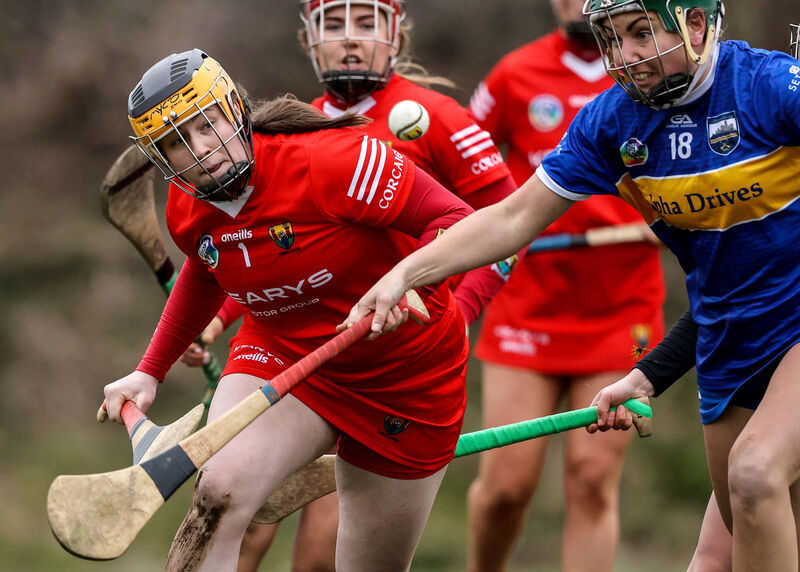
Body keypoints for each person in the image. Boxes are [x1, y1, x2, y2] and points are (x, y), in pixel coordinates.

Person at [341, 1, 800, 570]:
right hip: (731, 344)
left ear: (697, 24)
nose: (626, 56)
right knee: (720, 552)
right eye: (614, 38)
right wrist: (407, 272)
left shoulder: (770, 86)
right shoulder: (613, 122)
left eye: (641, 34)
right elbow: (511, 219)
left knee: (754, 474)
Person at [102, 48, 487, 572]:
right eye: (176, 143)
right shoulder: (185, 203)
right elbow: (206, 266)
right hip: (284, 357)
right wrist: (150, 370)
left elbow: (457, 220)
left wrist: (408, 281)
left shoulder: (334, 160)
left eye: (207, 125)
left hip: (405, 373)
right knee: (217, 490)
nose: (201, 152)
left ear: (233, 107)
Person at [179, 2, 518, 570]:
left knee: (324, 551)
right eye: (333, 26)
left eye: (366, 24)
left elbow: (505, 225)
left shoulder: (436, 117)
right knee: (237, 512)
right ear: (310, 40)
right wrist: (214, 321)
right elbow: (266, 251)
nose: (350, 40)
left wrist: (460, 307)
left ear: (396, 35)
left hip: (397, 360)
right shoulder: (287, 128)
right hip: (307, 357)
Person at [465, 1, 665, 570]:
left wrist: (676, 219)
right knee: (506, 485)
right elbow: (461, 168)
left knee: (592, 478)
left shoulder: (652, 68)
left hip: (620, 312)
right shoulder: (513, 74)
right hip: (526, 306)